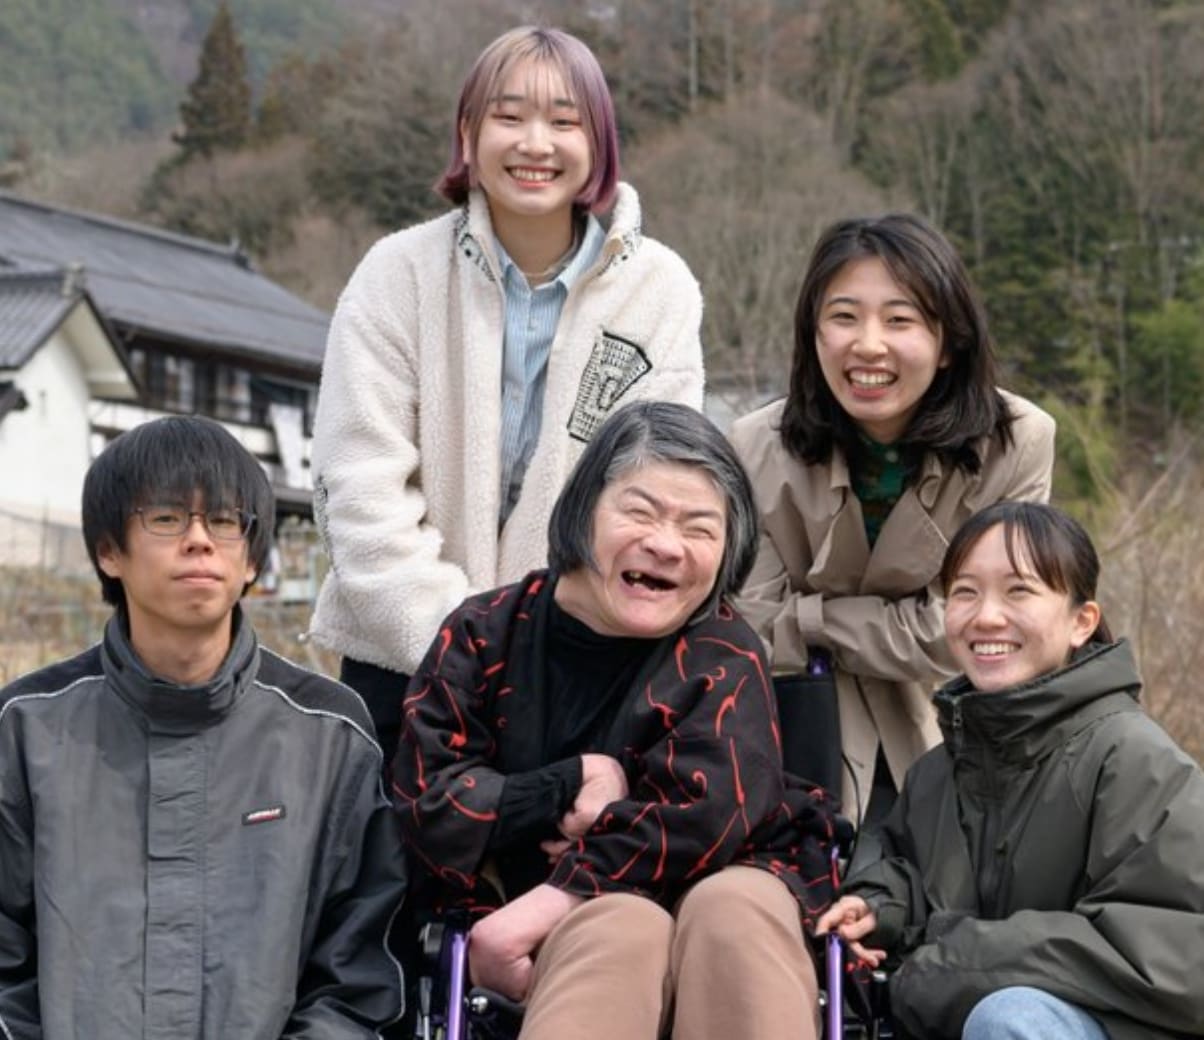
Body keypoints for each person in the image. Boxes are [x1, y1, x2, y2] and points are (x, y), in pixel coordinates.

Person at [310, 26, 706, 771]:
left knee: (566, 887)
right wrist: (465, 648)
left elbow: (657, 495)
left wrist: (544, 650)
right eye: (509, 116)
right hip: (402, 668)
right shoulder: (396, 275)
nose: (536, 142)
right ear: (467, 132)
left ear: (601, 142)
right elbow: (359, 489)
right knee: (386, 884)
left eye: (564, 121)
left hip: (584, 670)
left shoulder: (659, 291)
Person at [393, 402, 833, 1040]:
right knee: (620, 924)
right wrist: (568, 783)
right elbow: (429, 800)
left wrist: (551, 892)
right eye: (641, 510)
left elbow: (705, 815)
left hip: (722, 893)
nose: (666, 544)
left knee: (732, 908)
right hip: (560, 927)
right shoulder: (484, 632)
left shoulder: (725, 651)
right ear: (584, 509)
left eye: (700, 528)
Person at [0, 417, 406, 1039]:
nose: (199, 541)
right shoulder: (27, 728)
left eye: (223, 521)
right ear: (109, 550)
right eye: (166, 518)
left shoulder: (329, 737)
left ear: (251, 561)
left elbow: (358, 978)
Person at [816, 501, 1204, 1040]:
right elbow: (904, 863)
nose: (986, 616)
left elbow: (1174, 952)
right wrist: (878, 906)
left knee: (1012, 1020)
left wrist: (948, 959)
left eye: (1018, 590)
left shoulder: (1138, 761)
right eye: (965, 592)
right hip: (965, 1014)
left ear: (1080, 621)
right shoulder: (936, 770)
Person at [730, 213, 1056, 827]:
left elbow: (973, 625)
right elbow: (756, 630)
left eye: (900, 319)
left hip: (960, 728)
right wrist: (885, 625)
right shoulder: (754, 448)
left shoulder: (1017, 443)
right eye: (844, 317)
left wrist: (814, 616)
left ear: (948, 341)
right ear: (814, 334)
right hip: (798, 728)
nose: (869, 344)